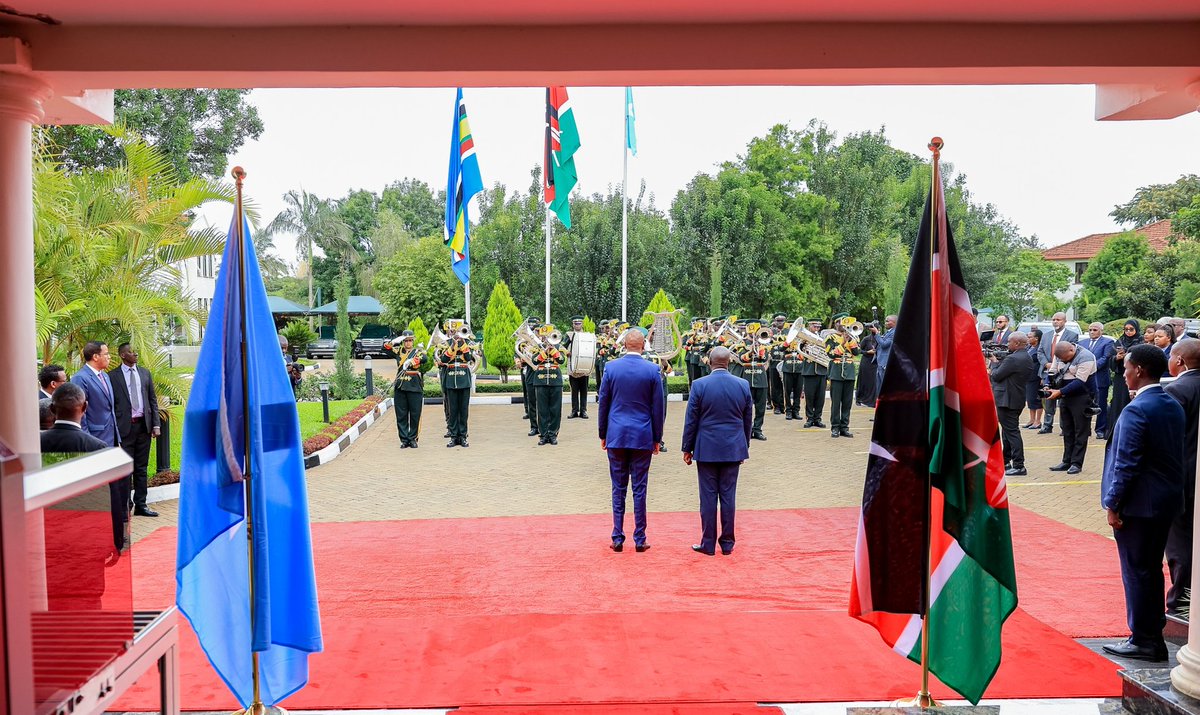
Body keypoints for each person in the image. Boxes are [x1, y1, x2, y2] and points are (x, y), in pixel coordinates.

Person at [1101, 344, 1185, 662]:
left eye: (1126, 368)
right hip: (1164, 503)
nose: (1123, 373)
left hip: (1138, 506)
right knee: (1150, 571)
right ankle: (1151, 635)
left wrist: (1112, 504)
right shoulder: (1170, 403)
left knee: (1137, 572)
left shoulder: (1137, 409)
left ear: (1138, 370)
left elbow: (1127, 463)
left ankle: (1144, 639)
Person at [597, 329, 665, 552]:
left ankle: (617, 537)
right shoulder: (653, 369)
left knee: (618, 488)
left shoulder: (611, 367)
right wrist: (657, 438)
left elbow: (603, 403)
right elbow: (658, 408)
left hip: (616, 435)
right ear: (643, 345)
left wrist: (603, 434)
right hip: (642, 435)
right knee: (640, 488)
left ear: (624, 345)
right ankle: (639, 538)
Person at [682, 346, 752, 556]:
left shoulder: (699, 385)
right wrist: (744, 446)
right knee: (729, 496)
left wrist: (687, 447)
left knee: (708, 498)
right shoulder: (742, 384)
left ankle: (708, 544)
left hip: (707, 448)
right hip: (733, 447)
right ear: (728, 362)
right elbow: (747, 420)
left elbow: (691, 420)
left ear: (709, 362)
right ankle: (728, 544)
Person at [44, 382, 128, 552]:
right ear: (85, 407)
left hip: (46, 534)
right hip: (88, 536)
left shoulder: (33, 444)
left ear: (52, 409)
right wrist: (117, 540)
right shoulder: (98, 447)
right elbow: (112, 498)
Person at [1165, 339, 1200, 615]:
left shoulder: (1178, 389)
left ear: (1179, 361)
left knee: (1180, 543)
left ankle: (1181, 599)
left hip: (1184, 479)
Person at [109, 343, 161, 517]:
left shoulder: (145, 373)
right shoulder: (112, 377)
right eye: (131, 352)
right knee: (125, 468)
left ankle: (141, 504)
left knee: (141, 467)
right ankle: (125, 505)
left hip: (143, 427)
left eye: (135, 351)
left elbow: (152, 400)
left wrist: (156, 425)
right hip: (124, 429)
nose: (135, 354)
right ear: (123, 355)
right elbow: (110, 405)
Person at [1045, 340, 1096, 474]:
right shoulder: (1060, 354)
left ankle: (1076, 463)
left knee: (1081, 430)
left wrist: (1059, 392)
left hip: (1082, 396)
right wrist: (1047, 384)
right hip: (1065, 395)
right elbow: (1052, 371)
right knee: (1067, 429)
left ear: (1071, 351)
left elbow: (1080, 382)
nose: (1062, 361)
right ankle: (1066, 461)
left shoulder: (1086, 357)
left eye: (1065, 359)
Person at [990, 332, 1034, 476]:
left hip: (1007, 400)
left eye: (1009, 342)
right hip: (1016, 399)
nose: (1007, 344)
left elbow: (996, 376)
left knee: (1012, 432)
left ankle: (1019, 465)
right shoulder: (1026, 356)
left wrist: (995, 362)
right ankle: (1005, 461)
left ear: (1016, 343)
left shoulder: (1013, 359)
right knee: (1008, 432)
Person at [70, 341, 119, 449]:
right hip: (94, 438)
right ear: (95, 357)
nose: (109, 357)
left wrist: (117, 438)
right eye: (106, 354)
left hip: (111, 437)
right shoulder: (80, 378)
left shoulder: (105, 376)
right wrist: (86, 440)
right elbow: (79, 413)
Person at [1037, 312, 1079, 434]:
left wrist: (1056, 365)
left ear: (1065, 321)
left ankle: (1064, 427)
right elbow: (1040, 352)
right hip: (1048, 371)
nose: (1055, 321)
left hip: (1063, 372)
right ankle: (1047, 425)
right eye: (1054, 319)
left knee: (1063, 400)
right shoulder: (1046, 335)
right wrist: (1047, 364)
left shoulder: (1072, 335)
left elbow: (1072, 353)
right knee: (1048, 399)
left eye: (1058, 319)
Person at [437, 327, 477, 448]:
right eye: (454, 332)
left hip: (464, 379)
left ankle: (463, 436)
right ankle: (454, 437)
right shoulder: (447, 343)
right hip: (450, 378)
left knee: (463, 410)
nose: (457, 334)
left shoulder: (468, 343)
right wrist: (453, 346)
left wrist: (462, 343)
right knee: (453, 410)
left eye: (459, 332)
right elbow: (444, 359)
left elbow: (469, 358)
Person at [825, 313, 861, 438]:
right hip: (836, 371)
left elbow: (856, 352)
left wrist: (850, 340)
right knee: (836, 402)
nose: (845, 325)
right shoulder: (831, 337)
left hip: (849, 372)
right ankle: (835, 427)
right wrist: (843, 343)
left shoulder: (854, 337)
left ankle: (844, 427)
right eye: (842, 322)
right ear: (836, 323)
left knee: (847, 402)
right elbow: (831, 354)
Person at [531, 325, 566, 446]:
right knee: (542, 410)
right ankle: (543, 435)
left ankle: (553, 434)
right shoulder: (537, 347)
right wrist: (544, 352)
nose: (547, 338)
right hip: (540, 380)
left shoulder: (559, 347)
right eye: (545, 336)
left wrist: (553, 350)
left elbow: (562, 360)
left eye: (550, 335)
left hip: (555, 380)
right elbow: (534, 361)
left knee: (555, 409)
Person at [1082, 323, 1116, 439]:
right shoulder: (1082, 343)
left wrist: (1089, 367)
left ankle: (1100, 429)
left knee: (1100, 404)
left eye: (1095, 330)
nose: (1092, 332)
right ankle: (1085, 429)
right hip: (1084, 380)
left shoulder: (1107, 342)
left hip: (1100, 379)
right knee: (1084, 404)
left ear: (1101, 331)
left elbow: (1105, 358)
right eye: (1090, 330)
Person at [392, 331, 426, 449]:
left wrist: (412, 361)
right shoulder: (398, 351)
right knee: (401, 414)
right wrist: (395, 341)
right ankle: (404, 439)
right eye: (406, 340)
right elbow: (385, 348)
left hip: (414, 385)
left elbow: (424, 358)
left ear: (413, 341)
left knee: (415, 414)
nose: (408, 342)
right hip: (401, 385)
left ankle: (413, 438)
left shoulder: (418, 351)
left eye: (410, 340)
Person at [1109, 320, 1142, 438]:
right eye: (1126, 329)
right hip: (1120, 378)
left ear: (1136, 330)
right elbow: (1110, 361)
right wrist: (1116, 358)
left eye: (1131, 329)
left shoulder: (1141, 341)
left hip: (1135, 377)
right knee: (1119, 402)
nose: (1128, 332)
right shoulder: (1119, 342)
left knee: (1131, 401)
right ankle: (1116, 430)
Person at [735, 335, 770, 441]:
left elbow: (763, 358)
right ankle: (747, 430)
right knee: (746, 408)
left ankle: (758, 430)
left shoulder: (764, 346)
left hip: (761, 380)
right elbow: (742, 359)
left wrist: (759, 348)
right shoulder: (742, 346)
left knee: (760, 408)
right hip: (747, 380)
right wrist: (750, 351)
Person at [800, 318, 828, 428]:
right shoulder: (803, 339)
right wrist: (804, 344)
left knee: (820, 397)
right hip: (809, 371)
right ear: (809, 326)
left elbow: (828, 352)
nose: (817, 329)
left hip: (821, 371)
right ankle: (809, 418)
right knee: (809, 397)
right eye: (814, 326)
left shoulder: (823, 338)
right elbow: (800, 352)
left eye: (818, 327)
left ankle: (818, 418)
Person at [564, 315, 590, 419]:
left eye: (579, 323)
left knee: (584, 390)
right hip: (573, 366)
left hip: (584, 366)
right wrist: (567, 352)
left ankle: (583, 411)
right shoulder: (569, 335)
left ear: (582, 324)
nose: (577, 325)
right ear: (573, 324)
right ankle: (574, 410)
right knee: (574, 390)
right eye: (575, 323)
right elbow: (562, 346)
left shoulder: (587, 335)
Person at [1023, 331, 1044, 429]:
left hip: (1036, 377)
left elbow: (1042, 363)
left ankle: (1038, 421)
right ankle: (1031, 419)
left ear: (1036, 338)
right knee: (1030, 399)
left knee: (1036, 399)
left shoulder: (1040, 349)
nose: (1028, 338)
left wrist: (1043, 377)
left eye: (1030, 337)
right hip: (1028, 377)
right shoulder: (1028, 348)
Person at [767, 313, 787, 414]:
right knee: (775, 386)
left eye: (781, 320)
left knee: (785, 386)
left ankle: (784, 407)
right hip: (774, 362)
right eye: (777, 321)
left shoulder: (788, 332)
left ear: (785, 321)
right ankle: (777, 407)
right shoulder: (770, 332)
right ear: (774, 321)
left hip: (785, 361)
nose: (779, 322)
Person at [856, 322, 879, 406]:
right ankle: (859, 399)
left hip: (875, 363)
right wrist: (867, 352)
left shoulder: (880, 338)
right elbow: (859, 351)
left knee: (873, 382)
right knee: (863, 380)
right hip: (866, 362)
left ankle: (872, 400)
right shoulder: (866, 339)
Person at [875, 314, 898, 394]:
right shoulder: (888, 332)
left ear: (894, 322)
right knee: (879, 387)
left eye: (887, 321)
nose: (885, 323)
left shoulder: (894, 332)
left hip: (885, 363)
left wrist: (877, 334)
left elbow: (884, 345)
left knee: (884, 386)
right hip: (880, 362)